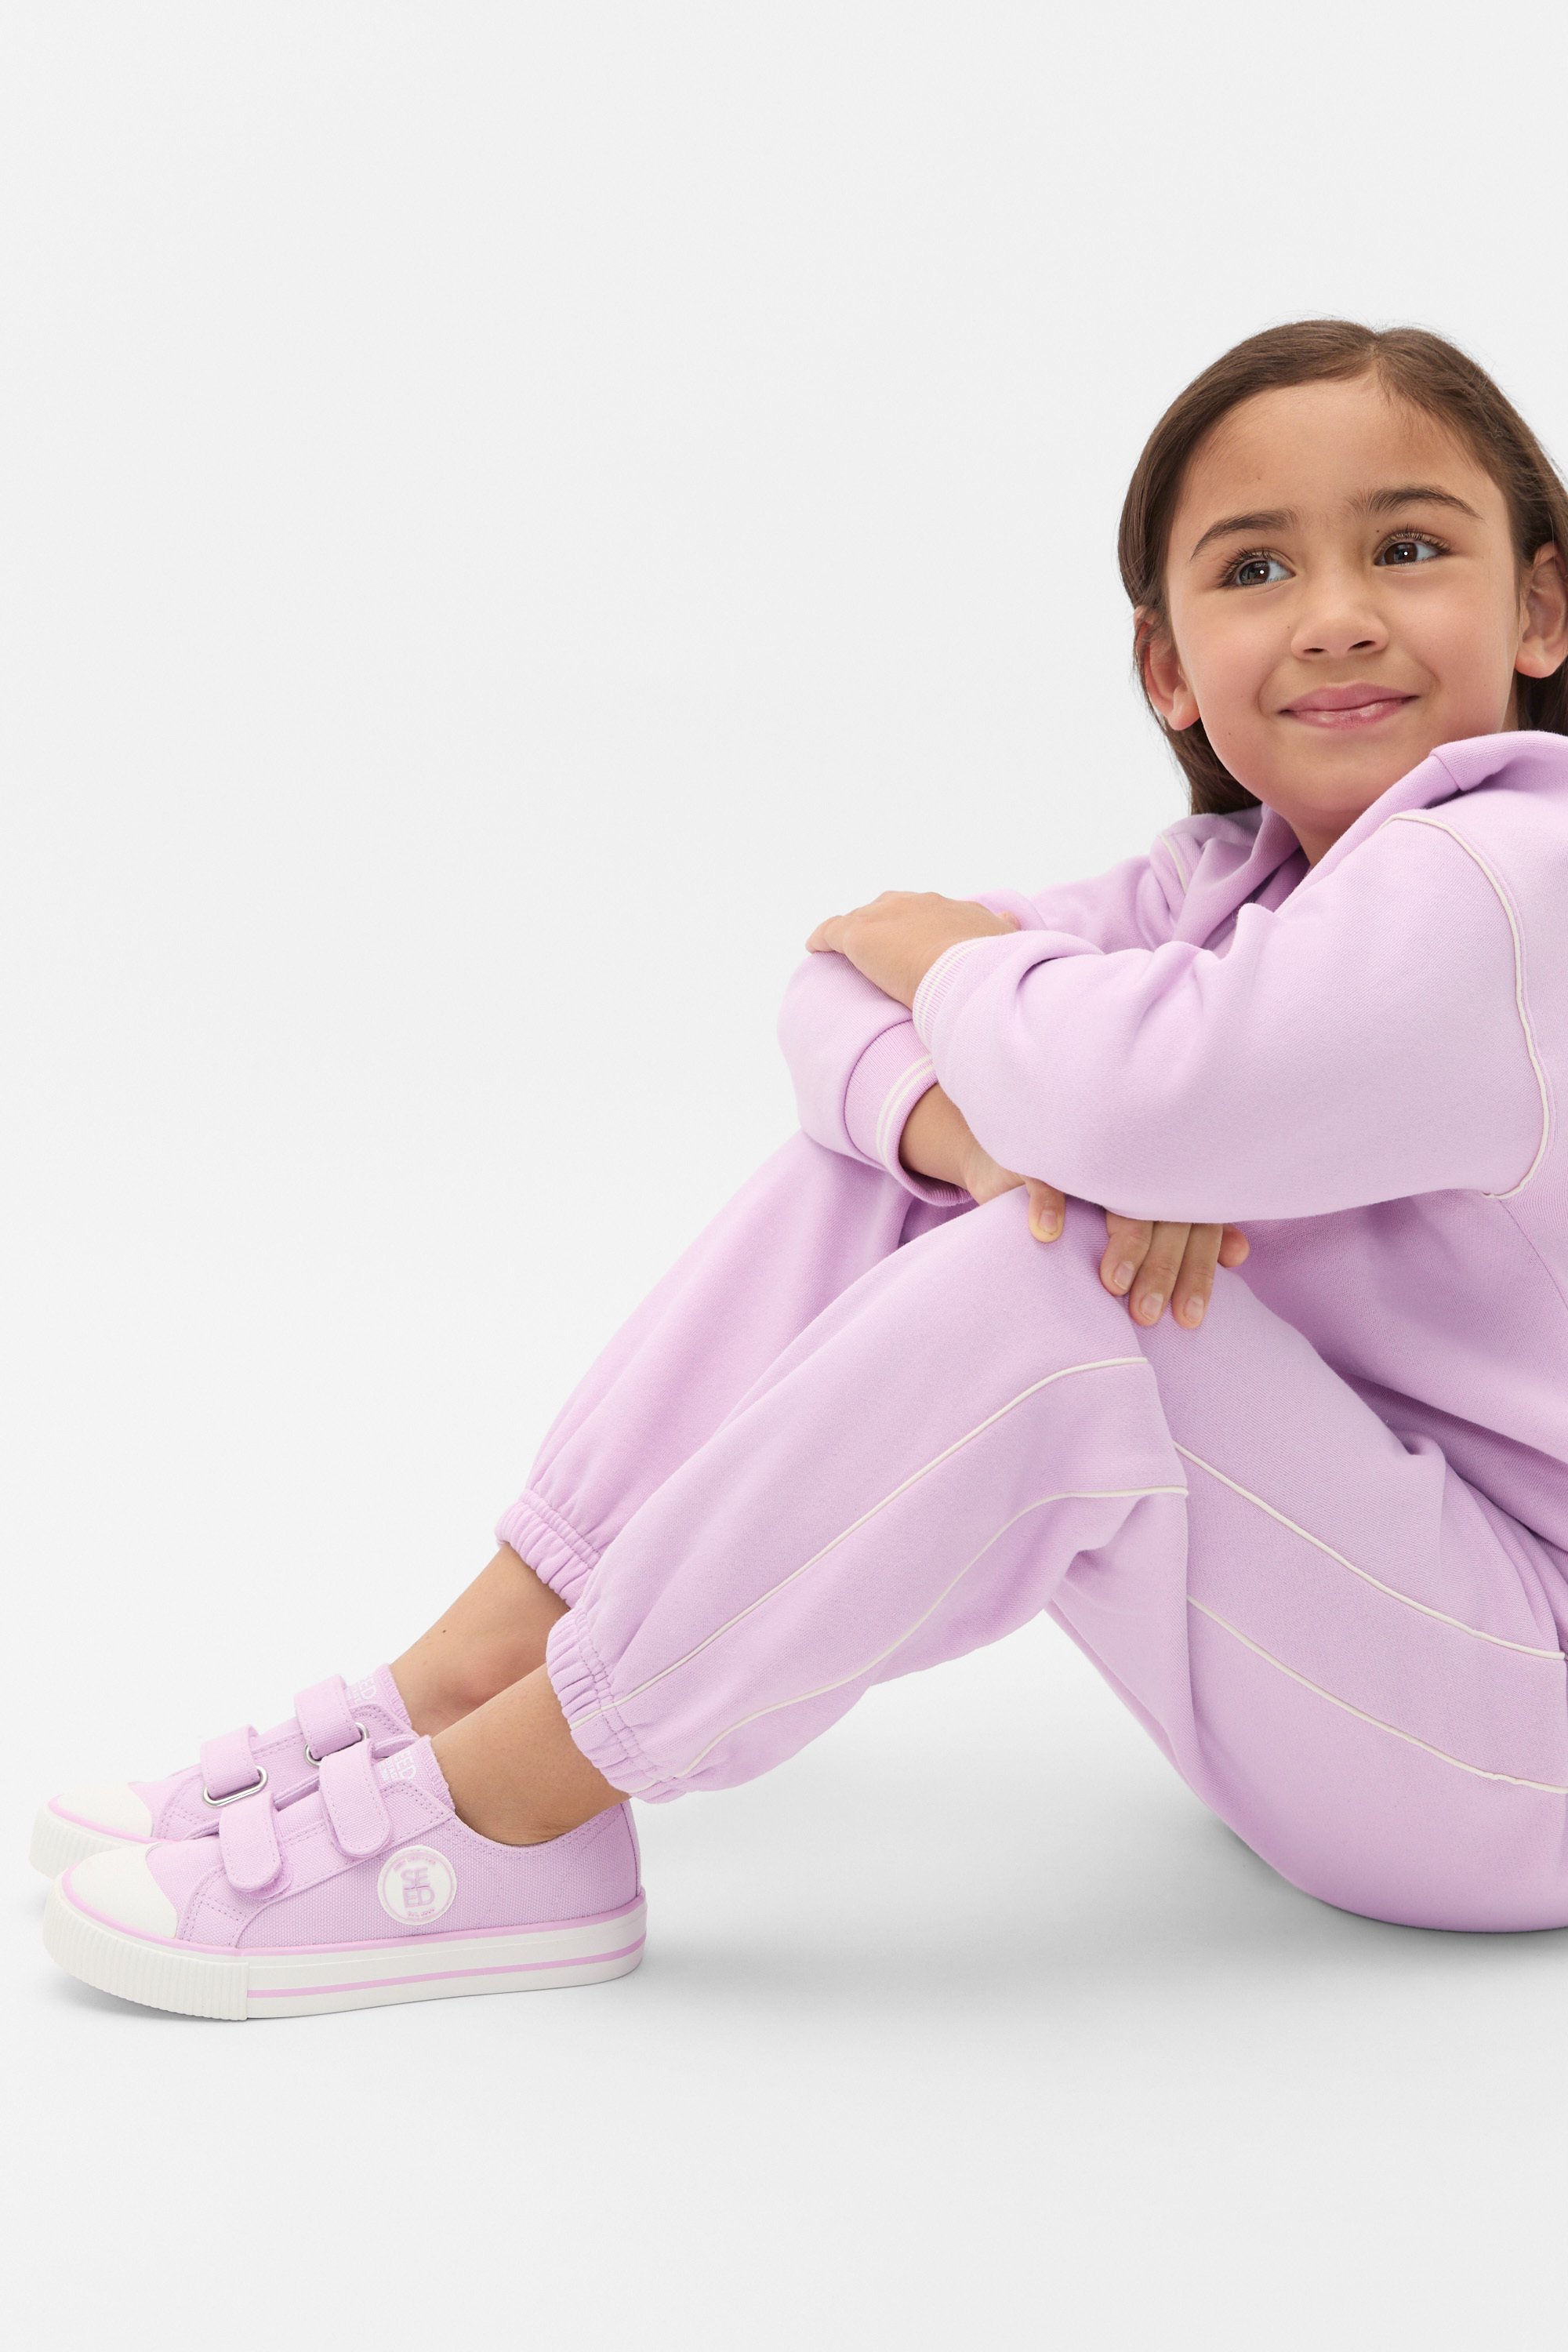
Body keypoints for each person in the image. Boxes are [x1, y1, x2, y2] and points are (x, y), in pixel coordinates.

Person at [38, 317, 1568, 2021]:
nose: (1337, 613)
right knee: (930, 1166)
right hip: (1361, 1670)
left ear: (1539, 610)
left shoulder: (1516, 869)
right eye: (1256, 568)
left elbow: (1132, 1086)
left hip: (1517, 1743)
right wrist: (980, 1136)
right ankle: (469, 1673)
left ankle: (515, 1805)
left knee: (1057, 1278)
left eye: (1408, 549)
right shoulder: (1223, 889)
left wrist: (991, 1031)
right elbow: (842, 989)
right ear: (1168, 666)